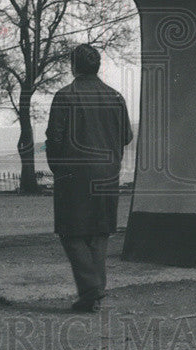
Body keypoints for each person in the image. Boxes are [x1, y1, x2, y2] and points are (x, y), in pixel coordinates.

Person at [45, 43, 133, 313]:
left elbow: (54, 139)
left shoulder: (64, 96)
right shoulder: (116, 97)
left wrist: (58, 169)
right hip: (108, 174)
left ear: (73, 66)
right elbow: (126, 137)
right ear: (98, 66)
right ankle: (92, 295)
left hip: (74, 176)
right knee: (99, 232)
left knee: (72, 233)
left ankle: (91, 287)